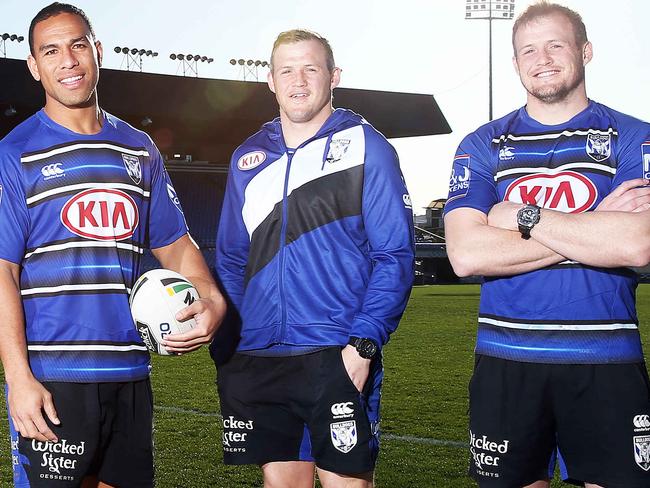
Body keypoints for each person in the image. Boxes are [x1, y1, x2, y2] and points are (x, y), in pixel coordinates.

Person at [0, 3, 226, 487]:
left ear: (97, 51)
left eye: (78, 44)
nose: (68, 60)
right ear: (34, 67)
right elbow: (3, 271)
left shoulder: (139, 148)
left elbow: (177, 246)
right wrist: (19, 380)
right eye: (51, 50)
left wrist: (211, 297)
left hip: (129, 373)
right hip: (52, 378)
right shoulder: (14, 153)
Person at [444, 2, 650, 487]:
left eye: (556, 44)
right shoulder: (482, 145)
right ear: (516, 63)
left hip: (606, 360)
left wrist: (520, 216)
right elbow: (466, 254)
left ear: (585, 50)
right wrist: (597, 225)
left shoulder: (634, 137)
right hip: (506, 360)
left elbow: (638, 244)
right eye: (528, 50)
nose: (543, 58)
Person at [214, 29, 414, 488]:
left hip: (335, 353)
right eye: (287, 70)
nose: (298, 81)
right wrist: (232, 344)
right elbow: (230, 259)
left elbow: (394, 256)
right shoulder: (248, 157)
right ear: (270, 80)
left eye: (310, 68)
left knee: (347, 483)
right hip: (261, 357)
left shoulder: (368, 147)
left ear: (333, 76)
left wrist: (362, 347)